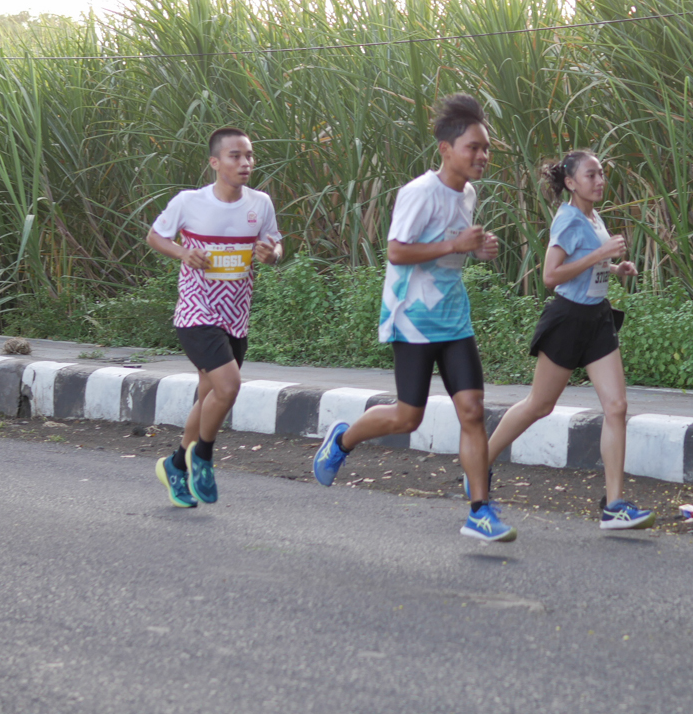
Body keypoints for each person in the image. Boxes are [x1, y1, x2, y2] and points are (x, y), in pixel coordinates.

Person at [312, 94, 517, 542]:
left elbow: (451, 248)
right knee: (408, 418)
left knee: (472, 411)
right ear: (446, 149)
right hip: (412, 319)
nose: (483, 156)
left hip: (454, 318)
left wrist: (477, 249)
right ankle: (343, 439)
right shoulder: (419, 193)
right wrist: (456, 245)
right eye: (473, 147)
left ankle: (480, 512)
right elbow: (396, 251)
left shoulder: (468, 193)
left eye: (486, 148)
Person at [477, 150, 655, 530]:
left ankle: (614, 505)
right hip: (568, 319)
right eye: (591, 175)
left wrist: (614, 268)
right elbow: (550, 276)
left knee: (617, 407)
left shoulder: (593, 216)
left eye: (602, 173)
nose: (600, 180)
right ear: (571, 183)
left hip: (598, 319)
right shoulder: (568, 219)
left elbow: (588, 262)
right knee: (539, 405)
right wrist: (601, 254)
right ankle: (480, 464)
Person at [149, 127, 282, 508]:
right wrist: (183, 253)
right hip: (197, 311)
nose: (245, 163)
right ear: (215, 162)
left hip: (235, 315)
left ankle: (176, 465)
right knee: (228, 386)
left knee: (210, 395)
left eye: (249, 155)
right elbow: (156, 236)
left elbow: (275, 244)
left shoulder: (260, 203)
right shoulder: (189, 202)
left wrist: (271, 255)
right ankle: (202, 458)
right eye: (235, 156)